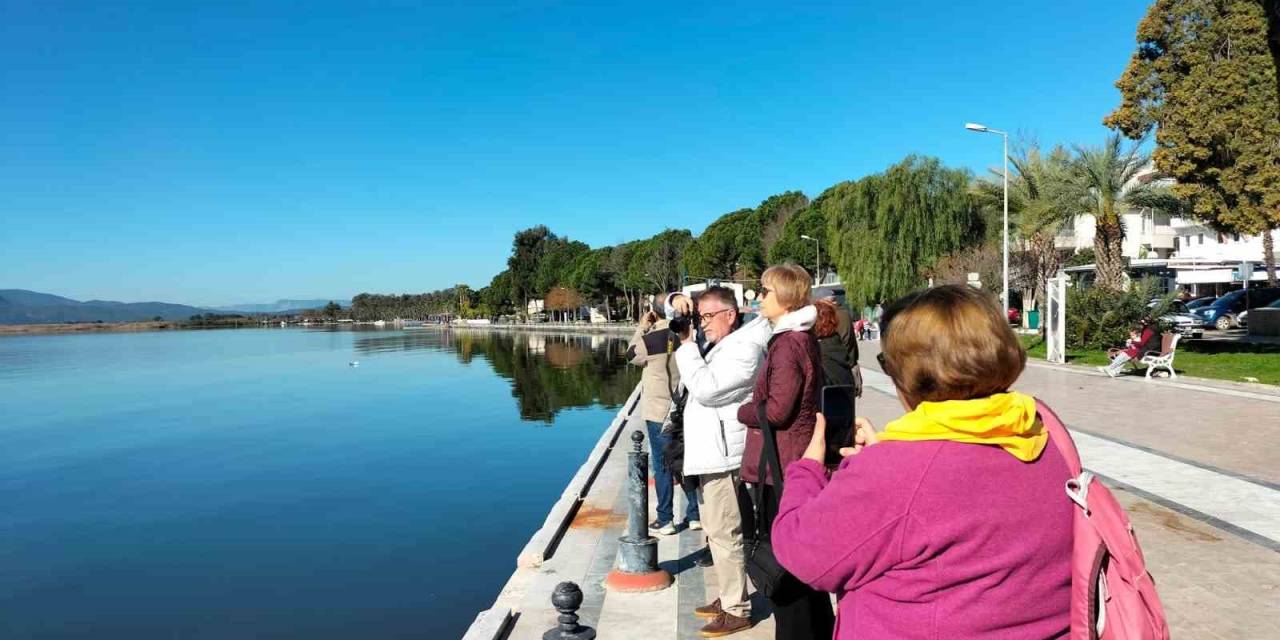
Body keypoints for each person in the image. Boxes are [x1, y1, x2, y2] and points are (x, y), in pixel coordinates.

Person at [771, 285, 1073, 639]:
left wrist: (807, 470)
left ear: (910, 372)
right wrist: (885, 460)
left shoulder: (898, 473)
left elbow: (802, 551)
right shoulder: (1043, 431)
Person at [735, 265, 835, 640]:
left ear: (786, 297)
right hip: (795, 460)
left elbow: (778, 409)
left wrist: (744, 410)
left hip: (783, 465)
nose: (758, 298)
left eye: (764, 291)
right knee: (801, 560)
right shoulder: (799, 338)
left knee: (785, 565)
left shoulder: (788, 343)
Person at [668, 285, 771, 638]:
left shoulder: (746, 347)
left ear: (730, 314)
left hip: (724, 453)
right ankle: (730, 595)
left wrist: (685, 346)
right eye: (699, 317)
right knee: (715, 529)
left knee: (726, 531)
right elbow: (670, 307)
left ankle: (736, 608)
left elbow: (708, 387)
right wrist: (675, 303)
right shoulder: (723, 340)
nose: (702, 324)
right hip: (710, 450)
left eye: (708, 317)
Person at [627, 305, 699, 535]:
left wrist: (642, 326)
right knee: (684, 460)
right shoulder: (687, 335)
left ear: (654, 313)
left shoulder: (651, 339)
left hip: (658, 411)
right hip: (685, 408)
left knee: (662, 465)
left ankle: (665, 518)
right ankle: (695, 515)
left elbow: (631, 356)